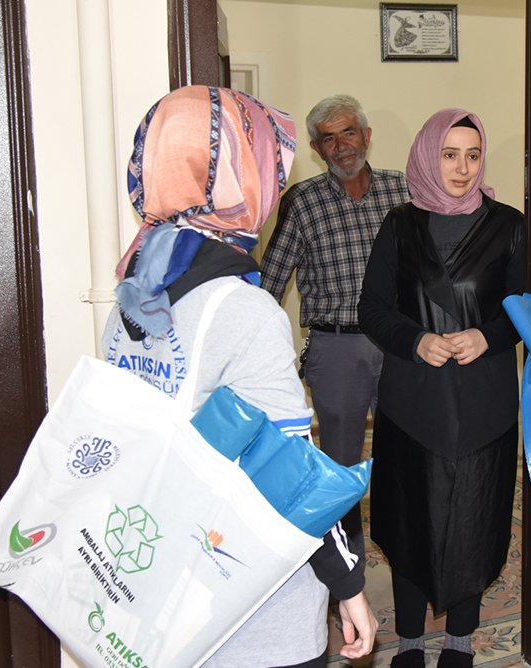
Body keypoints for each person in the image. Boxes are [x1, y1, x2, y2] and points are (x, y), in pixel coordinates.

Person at [103, 86, 377, 668]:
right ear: (232, 174)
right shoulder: (243, 309)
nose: (273, 183)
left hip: (162, 585)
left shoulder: (133, 293)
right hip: (255, 610)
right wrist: (349, 584)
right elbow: (290, 475)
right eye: (265, 164)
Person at [357, 109, 524, 668]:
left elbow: (525, 310)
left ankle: (459, 642)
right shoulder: (399, 225)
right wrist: (414, 341)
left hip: (484, 403)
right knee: (410, 518)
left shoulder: (509, 225)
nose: (462, 168)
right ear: (430, 156)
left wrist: (487, 335)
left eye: (473, 155)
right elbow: (372, 309)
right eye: (450, 154)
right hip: (413, 403)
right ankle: (407, 641)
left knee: (474, 520)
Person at [259, 95, 409, 489]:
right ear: (315, 148)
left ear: (366, 136)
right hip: (338, 349)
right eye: (329, 139)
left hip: (401, 345)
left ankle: (403, 546)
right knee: (338, 467)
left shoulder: (404, 191)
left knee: (406, 454)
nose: (342, 147)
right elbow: (268, 284)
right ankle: (344, 551)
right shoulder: (302, 202)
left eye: (349, 133)